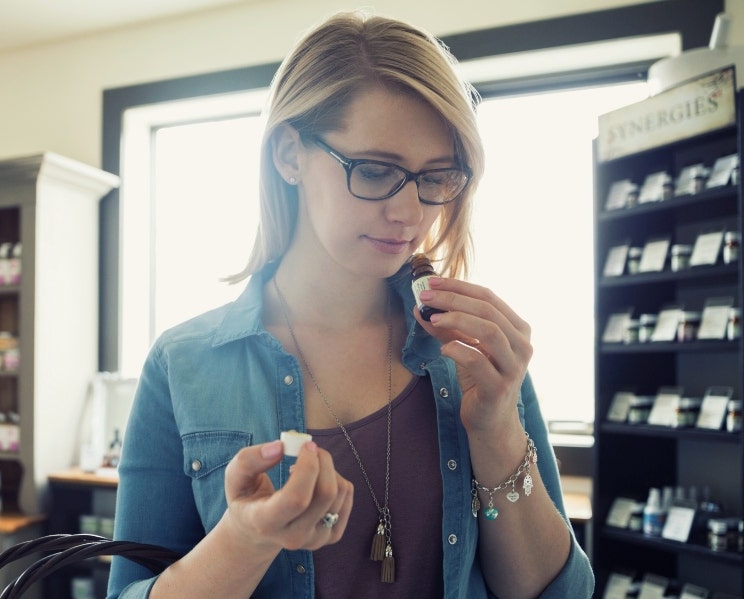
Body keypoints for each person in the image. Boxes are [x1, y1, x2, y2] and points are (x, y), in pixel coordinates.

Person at [107, 9, 594, 599]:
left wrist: (495, 435)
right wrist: (244, 539)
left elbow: (555, 593)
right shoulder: (184, 364)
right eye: (375, 170)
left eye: (436, 177)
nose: (411, 213)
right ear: (289, 155)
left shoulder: (471, 354)